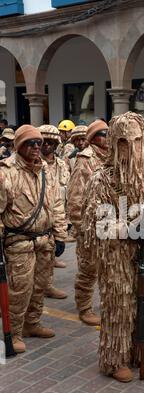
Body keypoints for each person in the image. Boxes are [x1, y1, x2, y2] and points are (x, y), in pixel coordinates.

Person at [81, 112, 144, 382]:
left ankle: (143, 351)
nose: (131, 147)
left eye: (137, 140)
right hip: (116, 256)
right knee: (119, 306)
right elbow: (95, 221)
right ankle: (114, 358)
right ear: (113, 143)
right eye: (123, 142)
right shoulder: (102, 179)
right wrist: (129, 227)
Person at [0, 125, 67, 353]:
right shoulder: (6, 172)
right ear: (19, 146)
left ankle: (32, 324)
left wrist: (60, 234)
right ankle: (16, 332)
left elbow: (56, 203)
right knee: (20, 289)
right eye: (30, 143)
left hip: (44, 240)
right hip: (19, 242)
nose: (36, 146)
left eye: (38, 142)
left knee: (39, 287)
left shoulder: (46, 170)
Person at [67, 119, 108, 326]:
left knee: (107, 267)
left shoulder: (112, 158)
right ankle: (84, 308)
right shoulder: (85, 160)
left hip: (108, 224)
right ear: (93, 138)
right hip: (89, 227)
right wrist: (82, 228)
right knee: (88, 268)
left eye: (108, 133)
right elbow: (75, 198)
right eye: (102, 133)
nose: (107, 137)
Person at [39, 124, 70, 298]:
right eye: (44, 141)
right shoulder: (35, 164)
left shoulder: (61, 165)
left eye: (51, 142)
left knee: (49, 254)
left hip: (57, 215)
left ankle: (47, 286)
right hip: (38, 219)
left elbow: (67, 191)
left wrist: (67, 223)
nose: (47, 145)